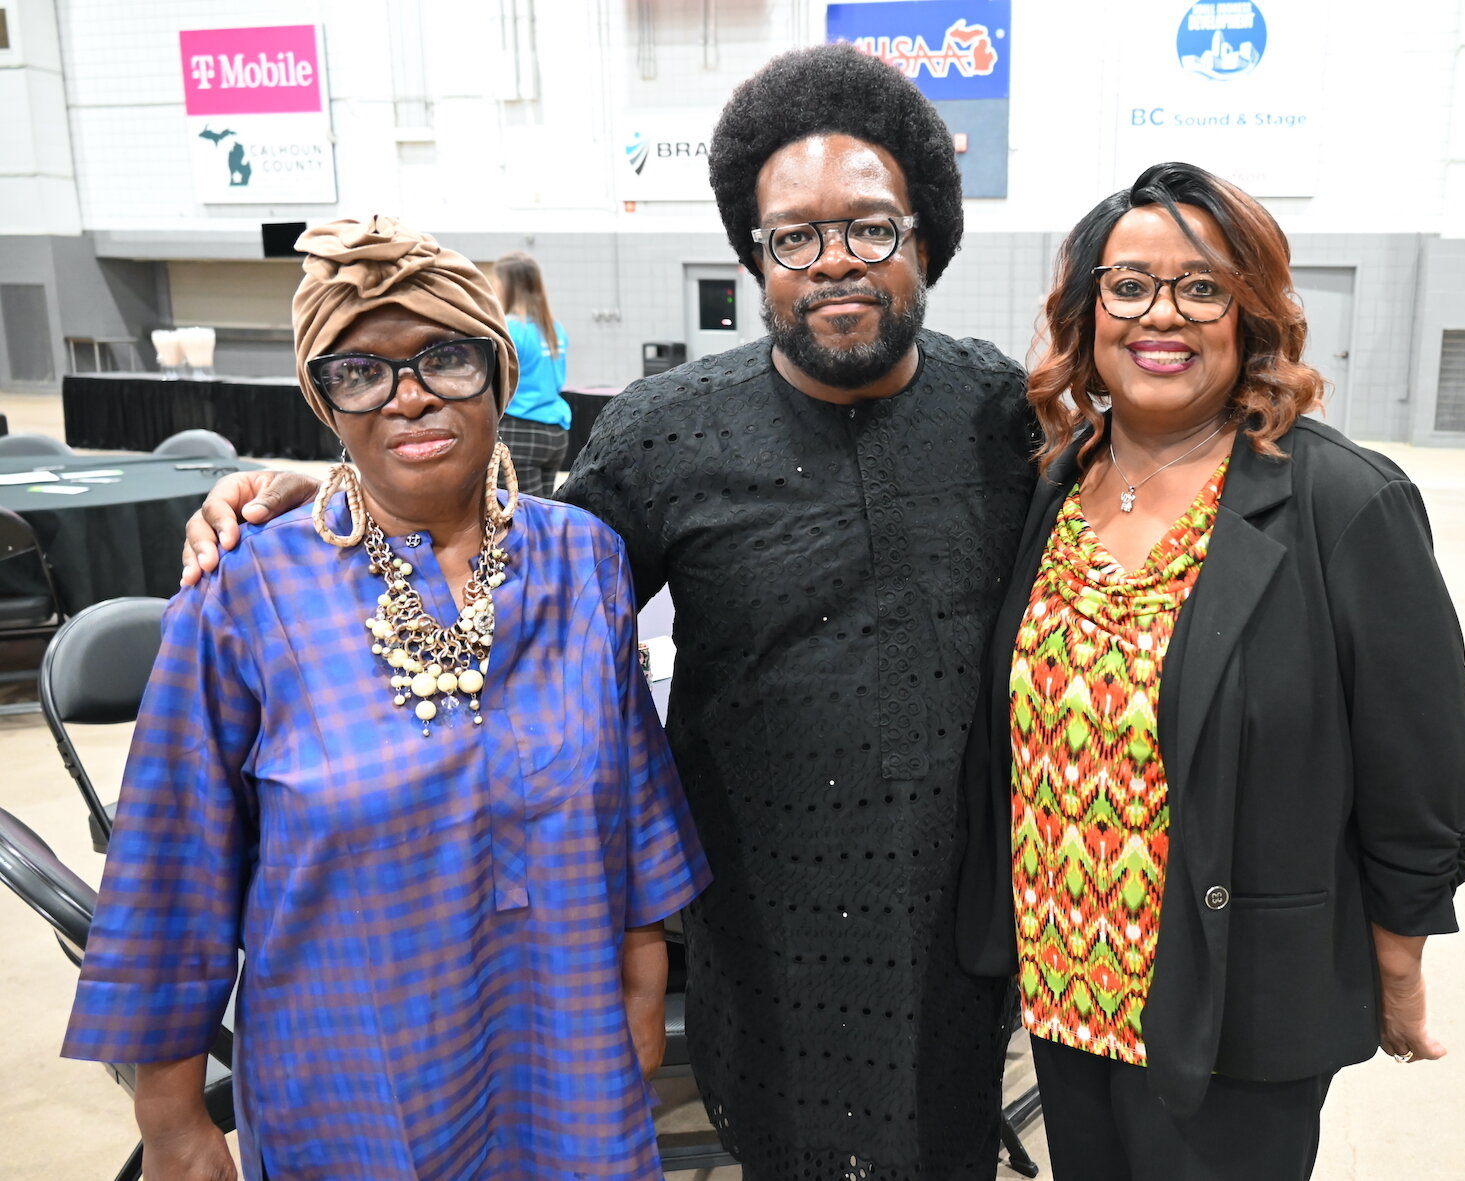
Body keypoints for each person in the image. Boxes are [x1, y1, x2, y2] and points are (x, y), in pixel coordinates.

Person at [179, 46, 1037, 1179]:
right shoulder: (667, 430)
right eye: (793, 237)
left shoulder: (1011, 418)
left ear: (926, 238)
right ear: (754, 255)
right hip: (758, 929)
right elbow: (513, 570)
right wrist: (333, 488)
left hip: (960, 929)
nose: (834, 261)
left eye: (870, 228)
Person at [65, 216, 709, 1181]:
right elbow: (169, 864)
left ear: (498, 368)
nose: (409, 397)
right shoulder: (249, 590)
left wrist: (640, 981)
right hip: (351, 1079)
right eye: (359, 371)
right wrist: (173, 1118)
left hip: (567, 1049)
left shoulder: (585, 561)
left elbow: (632, 792)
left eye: (444, 358)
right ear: (324, 402)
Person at [954, 161, 1465, 1179]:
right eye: (1128, 284)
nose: (1164, 314)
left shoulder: (1341, 500)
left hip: (1237, 997)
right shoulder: (1057, 480)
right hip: (1064, 980)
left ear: (1249, 313)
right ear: (1086, 309)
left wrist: (1400, 951)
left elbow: (1424, 760)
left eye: (1201, 287)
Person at [492, 251, 571, 497]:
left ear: (507, 287)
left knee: (518, 517)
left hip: (520, 432)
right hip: (555, 434)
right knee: (542, 513)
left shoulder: (509, 330)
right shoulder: (554, 329)